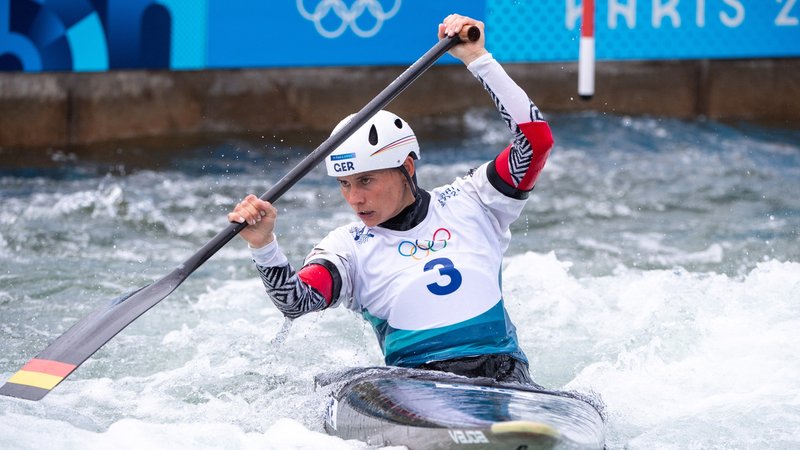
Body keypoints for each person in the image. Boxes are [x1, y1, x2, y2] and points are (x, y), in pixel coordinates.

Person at [228, 14, 553, 385]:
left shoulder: (475, 200)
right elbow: (295, 302)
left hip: (504, 377)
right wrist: (263, 245)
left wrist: (478, 59)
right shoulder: (348, 248)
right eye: (345, 184)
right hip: (414, 386)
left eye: (365, 180)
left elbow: (536, 141)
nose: (354, 197)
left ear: (407, 168)